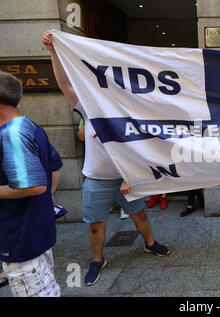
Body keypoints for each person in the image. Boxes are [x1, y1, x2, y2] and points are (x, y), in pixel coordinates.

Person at [43, 30, 171, 287]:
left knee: (140, 217)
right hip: (96, 180)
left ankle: (149, 244)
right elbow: (66, 85)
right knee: (95, 225)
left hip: (127, 180)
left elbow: (140, 150)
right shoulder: (89, 108)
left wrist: (130, 176)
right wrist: (55, 53)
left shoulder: (131, 114)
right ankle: (97, 260)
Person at [0, 71, 61, 297]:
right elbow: (55, 167)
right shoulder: (29, 125)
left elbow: (34, 186)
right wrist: (50, 197)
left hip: (21, 236)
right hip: (37, 230)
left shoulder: (11, 134)